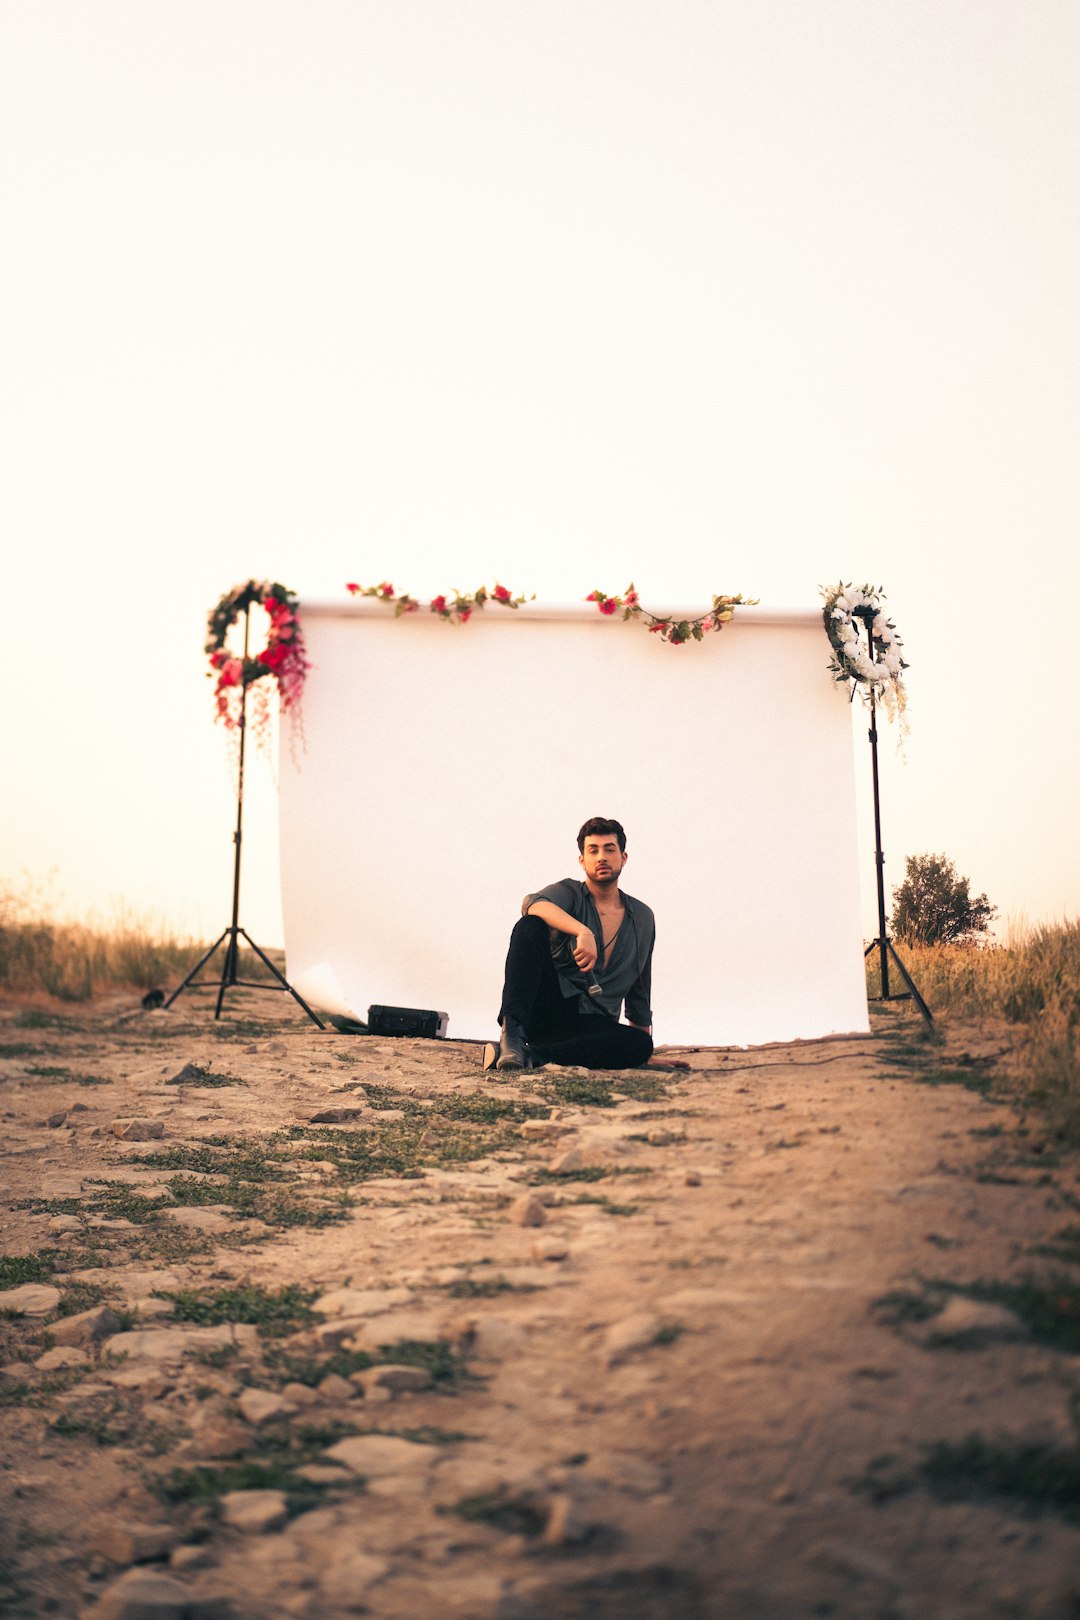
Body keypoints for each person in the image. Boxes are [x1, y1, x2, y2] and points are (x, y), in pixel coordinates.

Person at [493, 816, 655, 1072]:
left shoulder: (643, 918)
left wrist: (644, 1054)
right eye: (593, 850)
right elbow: (532, 903)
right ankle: (511, 1036)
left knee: (641, 1044)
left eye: (609, 849)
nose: (601, 857)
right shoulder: (570, 893)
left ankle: (529, 1056)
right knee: (530, 925)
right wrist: (583, 931)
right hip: (548, 1011)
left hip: (591, 1027)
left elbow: (640, 992)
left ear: (623, 858)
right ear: (583, 860)